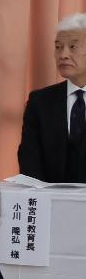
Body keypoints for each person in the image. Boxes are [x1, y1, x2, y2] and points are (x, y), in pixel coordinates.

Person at [16, 12, 86, 183]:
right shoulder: (40, 101)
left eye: (73, 47)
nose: (63, 55)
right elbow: (29, 158)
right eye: (58, 47)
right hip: (50, 202)